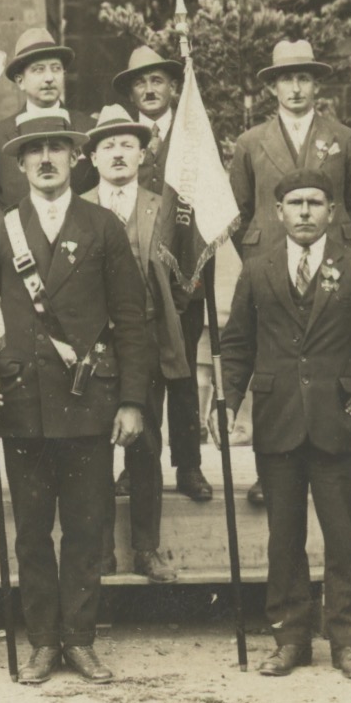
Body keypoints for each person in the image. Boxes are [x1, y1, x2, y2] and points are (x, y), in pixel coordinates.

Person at [219, 170, 351, 680]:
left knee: (342, 538)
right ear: (279, 211)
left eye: (315, 203)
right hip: (277, 421)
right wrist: (228, 401)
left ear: (332, 211)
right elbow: (238, 343)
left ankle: (347, 642)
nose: (305, 212)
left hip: (339, 420)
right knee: (283, 538)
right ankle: (289, 639)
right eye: (295, 203)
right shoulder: (258, 269)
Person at [0, 108, 152, 685]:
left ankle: (79, 640)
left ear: (76, 157)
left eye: (58, 147)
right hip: (24, 401)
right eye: (36, 150)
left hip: (88, 401)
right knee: (32, 531)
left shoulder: (101, 225)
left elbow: (132, 317)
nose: (48, 159)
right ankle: (41, 643)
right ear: (22, 162)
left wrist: (132, 400)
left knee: (86, 527)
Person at [227, 39, 351, 506]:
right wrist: (260, 251)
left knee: (325, 356)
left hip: (328, 260)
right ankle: (274, 470)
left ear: (316, 84)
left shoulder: (342, 138)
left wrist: (335, 245)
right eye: (287, 78)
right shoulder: (251, 142)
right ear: (273, 87)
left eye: (304, 77)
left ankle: (326, 452)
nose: (296, 87)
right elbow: (240, 208)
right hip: (271, 256)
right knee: (277, 358)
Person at [82, 105, 191, 583]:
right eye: (108, 145)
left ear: (144, 153)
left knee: (145, 442)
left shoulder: (165, 203)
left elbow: (188, 272)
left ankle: (146, 548)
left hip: (144, 337)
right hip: (90, 344)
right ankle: (100, 550)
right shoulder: (77, 204)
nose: (119, 153)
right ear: (91, 157)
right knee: (94, 448)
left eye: (128, 144)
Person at [111, 45, 212, 503]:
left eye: (157, 81)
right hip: (132, 274)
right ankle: (138, 466)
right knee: (139, 372)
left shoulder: (191, 136)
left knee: (184, 372)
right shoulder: (126, 139)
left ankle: (189, 465)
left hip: (183, 273)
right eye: (140, 83)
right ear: (132, 92)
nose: (149, 89)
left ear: (173, 87)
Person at [0, 27, 96, 206]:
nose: (49, 78)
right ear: (20, 81)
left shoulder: (89, 128)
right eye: (38, 70)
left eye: (56, 69)